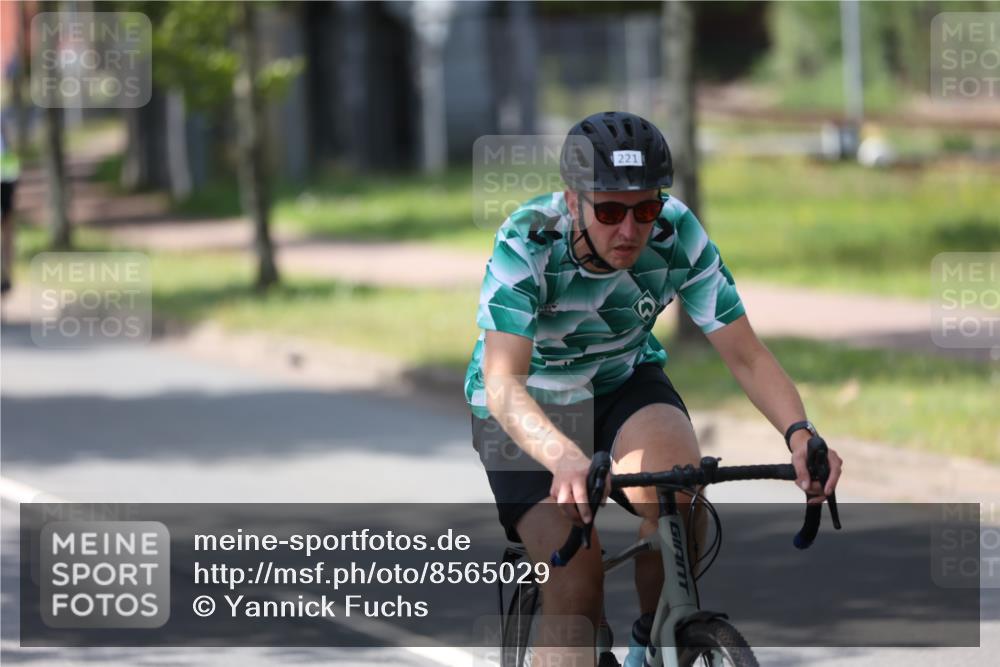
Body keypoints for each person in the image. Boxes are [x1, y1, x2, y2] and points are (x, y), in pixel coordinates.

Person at [464, 111, 843, 667]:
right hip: (528, 404)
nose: (629, 230)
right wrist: (563, 457)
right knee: (577, 581)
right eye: (610, 211)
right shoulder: (527, 240)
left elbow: (746, 355)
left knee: (678, 499)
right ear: (573, 202)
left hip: (622, 380)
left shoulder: (676, 231)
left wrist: (800, 434)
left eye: (645, 209)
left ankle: (653, 644)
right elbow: (503, 383)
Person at [1, 125, 20, 295]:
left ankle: (7, 275)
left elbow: (9, 149)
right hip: (6, 180)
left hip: (5, 182)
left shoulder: (3, 122)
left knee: (7, 229)